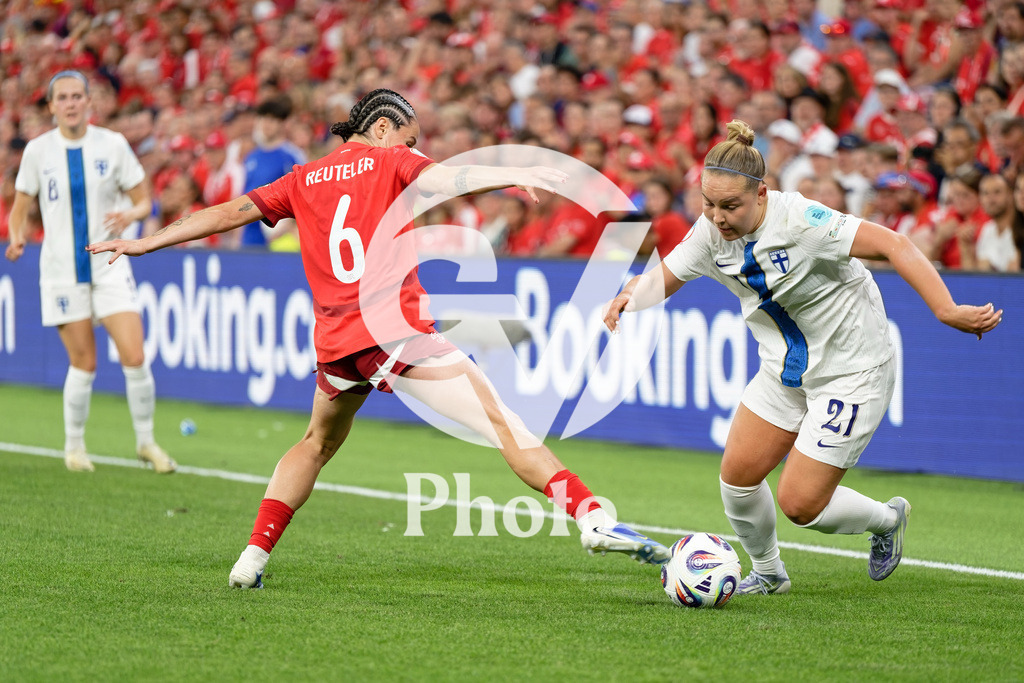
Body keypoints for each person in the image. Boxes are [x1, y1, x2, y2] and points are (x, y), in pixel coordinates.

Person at [87, 88, 668, 588]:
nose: (415, 151)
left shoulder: (302, 177)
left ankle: (251, 556)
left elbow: (227, 212)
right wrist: (509, 173)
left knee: (316, 441)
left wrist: (146, 242)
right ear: (383, 128)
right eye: (410, 139)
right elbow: (448, 177)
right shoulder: (390, 163)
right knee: (505, 424)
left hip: (339, 345)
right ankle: (592, 517)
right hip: (395, 335)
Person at [602, 120, 1001, 594]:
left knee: (800, 505)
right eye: (709, 204)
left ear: (762, 194)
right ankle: (769, 574)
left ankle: (887, 519)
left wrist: (946, 308)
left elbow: (894, 244)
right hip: (783, 369)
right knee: (738, 477)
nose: (718, 217)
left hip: (852, 371)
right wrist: (630, 295)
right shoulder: (710, 232)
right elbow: (664, 277)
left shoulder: (805, 222)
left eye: (730, 206)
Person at [4, 70, 175, 474]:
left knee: (134, 354)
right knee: (84, 363)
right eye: (62, 97)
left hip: (110, 264)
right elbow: (21, 204)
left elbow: (143, 199)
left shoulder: (112, 144)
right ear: (51, 107)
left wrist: (129, 214)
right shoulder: (38, 151)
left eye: (77, 96)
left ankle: (146, 442)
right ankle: (75, 447)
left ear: (88, 102)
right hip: (63, 270)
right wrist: (16, 237)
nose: (71, 103)